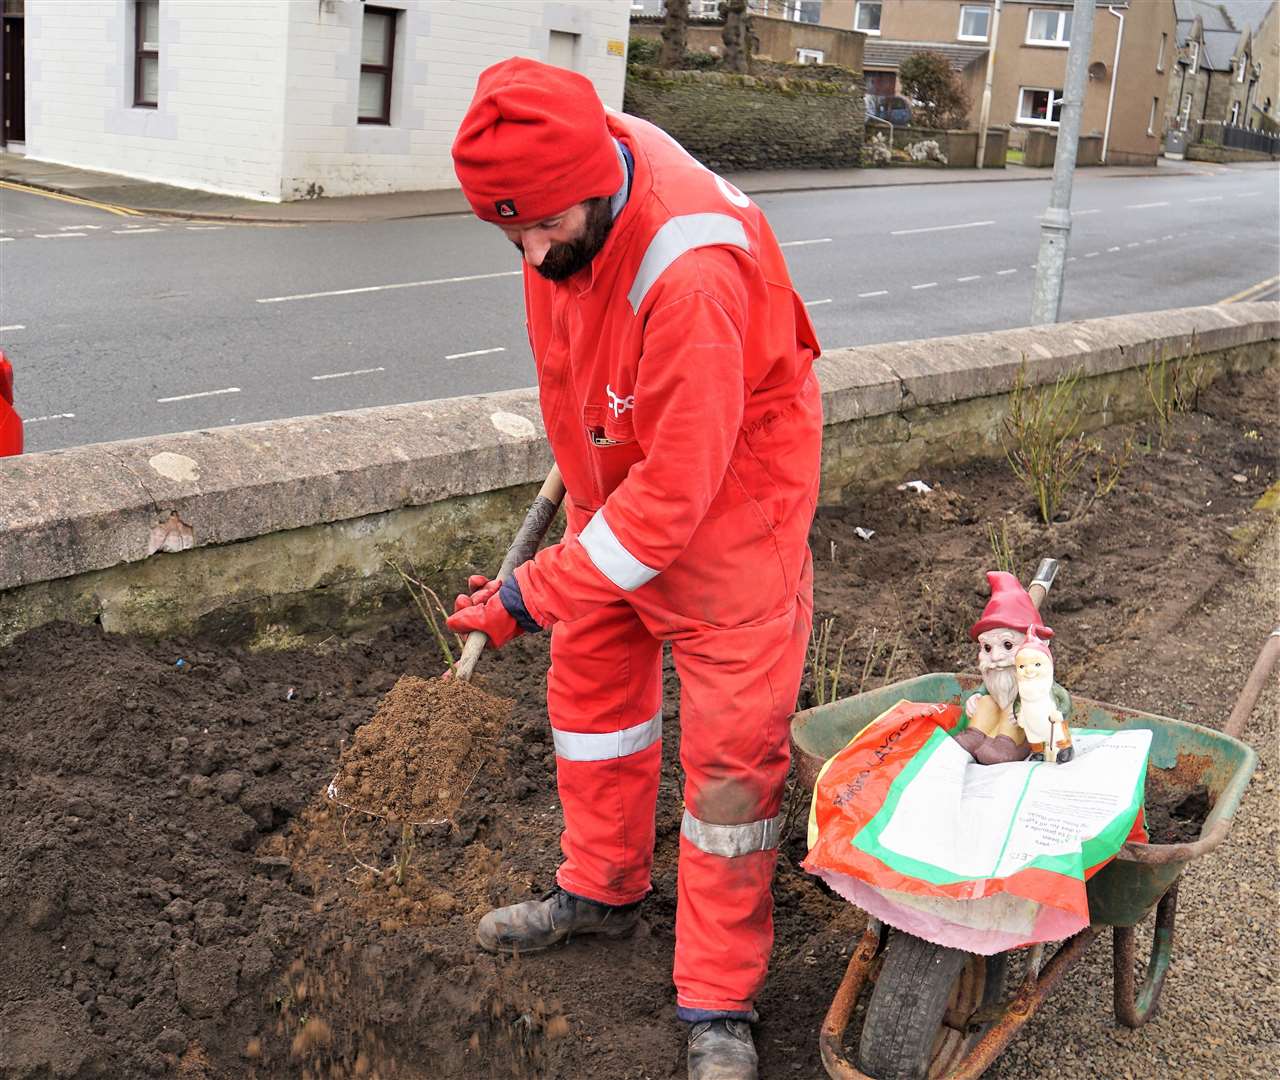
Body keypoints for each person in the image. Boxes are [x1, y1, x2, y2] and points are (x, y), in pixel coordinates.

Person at [446, 57, 822, 1080]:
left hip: (731, 509)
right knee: (594, 705)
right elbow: (582, 369)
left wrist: (533, 589)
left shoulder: (690, 269)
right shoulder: (562, 177)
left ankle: (717, 1000)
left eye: (541, 230)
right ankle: (603, 888)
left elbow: (676, 502)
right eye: (506, 232)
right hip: (622, 489)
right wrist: (581, 500)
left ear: (597, 181)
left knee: (730, 775)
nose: (527, 253)